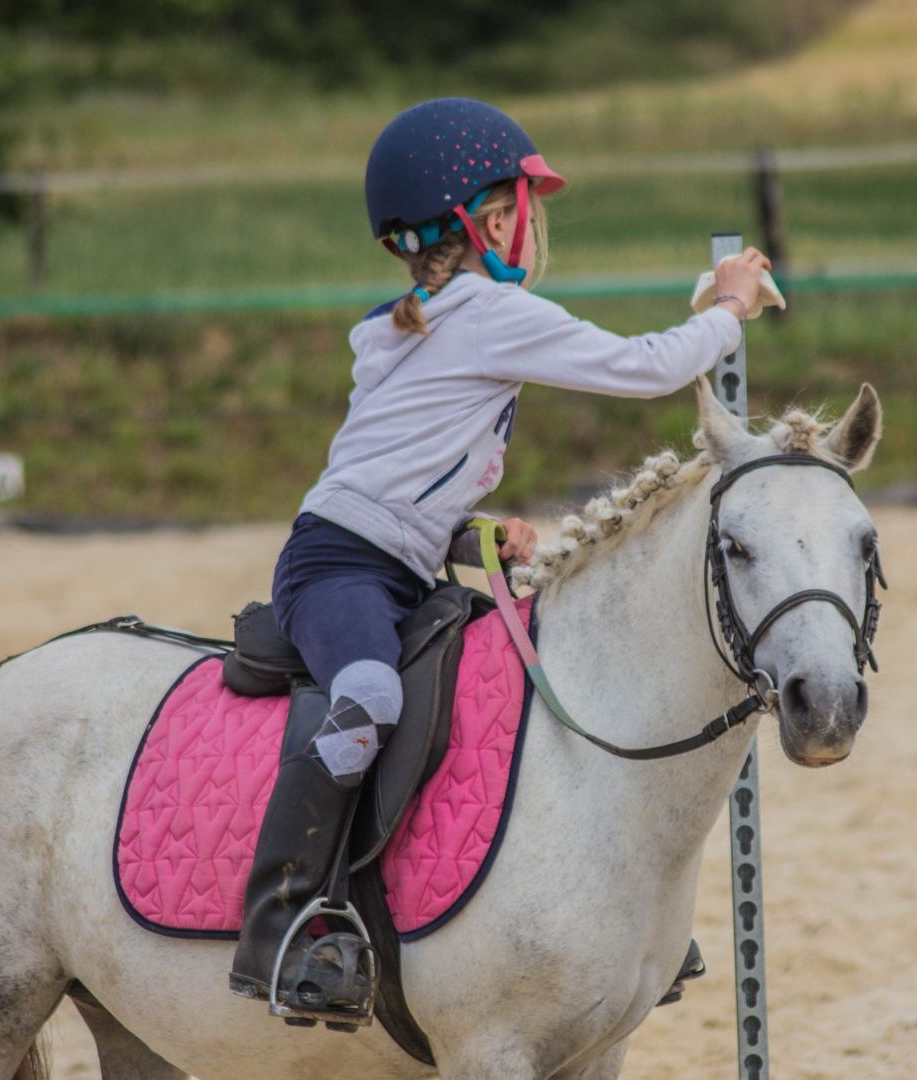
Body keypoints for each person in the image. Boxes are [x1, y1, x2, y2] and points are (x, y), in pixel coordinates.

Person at [229, 97, 770, 1023]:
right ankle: (278, 924)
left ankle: (599, 916)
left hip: (399, 562)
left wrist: (473, 537)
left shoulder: (432, 321)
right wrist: (730, 307)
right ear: (485, 221)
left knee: (509, 681)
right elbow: (644, 368)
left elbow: (399, 479)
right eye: (527, 208)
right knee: (371, 698)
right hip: (335, 567)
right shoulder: (481, 312)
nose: (535, 229)